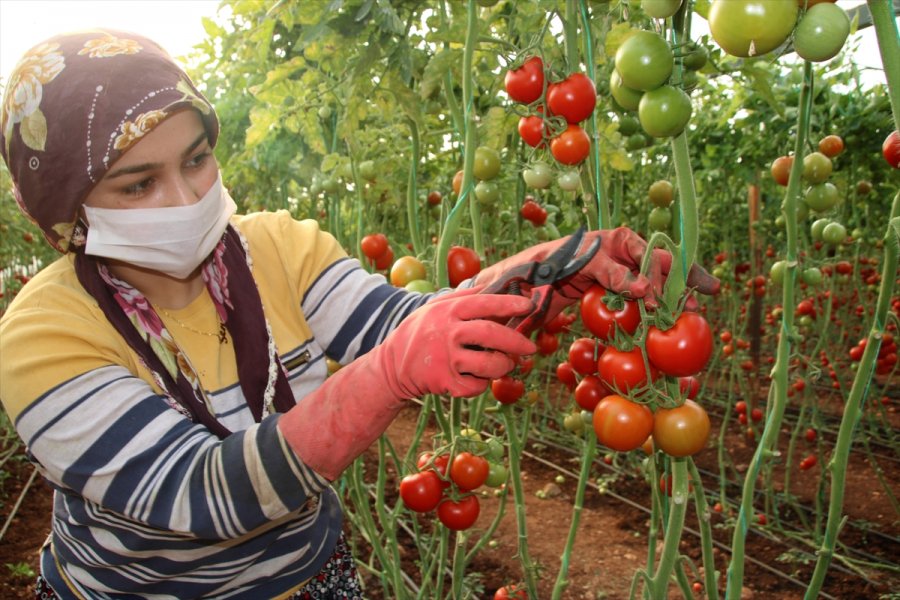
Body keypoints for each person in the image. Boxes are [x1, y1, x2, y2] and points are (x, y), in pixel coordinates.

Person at [0, 30, 717, 599]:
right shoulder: (44, 335)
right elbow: (202, 493)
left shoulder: (277, 247)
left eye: (196, 159)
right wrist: (389, 377)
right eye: (138, 184)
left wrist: (547, 270)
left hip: (313, 577)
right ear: (66, 209)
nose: (185, 198)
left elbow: (405, 325)